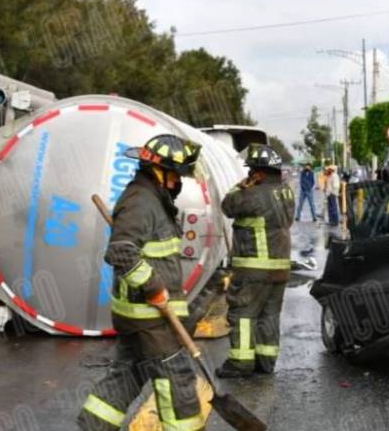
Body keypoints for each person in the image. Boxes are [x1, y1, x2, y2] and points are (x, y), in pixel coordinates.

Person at [78, 135, 205, 431]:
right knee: (177, 380)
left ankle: (94, 425)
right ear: (158, 170)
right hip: (151, 316)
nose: (178, 182)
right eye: (175, 174)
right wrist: (154, 289)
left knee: (130, 372)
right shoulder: (142, 202)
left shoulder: (151, 199)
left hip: (139, 314)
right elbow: (121, 251)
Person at [216, 144, 294, 378]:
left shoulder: (253, 195)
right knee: (269, 315)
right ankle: (266, 361)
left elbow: (227, 205)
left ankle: (240, 363)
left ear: (259, 173)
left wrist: (242, 185)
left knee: (243, 314)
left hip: (254, 269)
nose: (249, 175)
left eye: (251, 171)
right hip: (280, 268)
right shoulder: (286, 192)